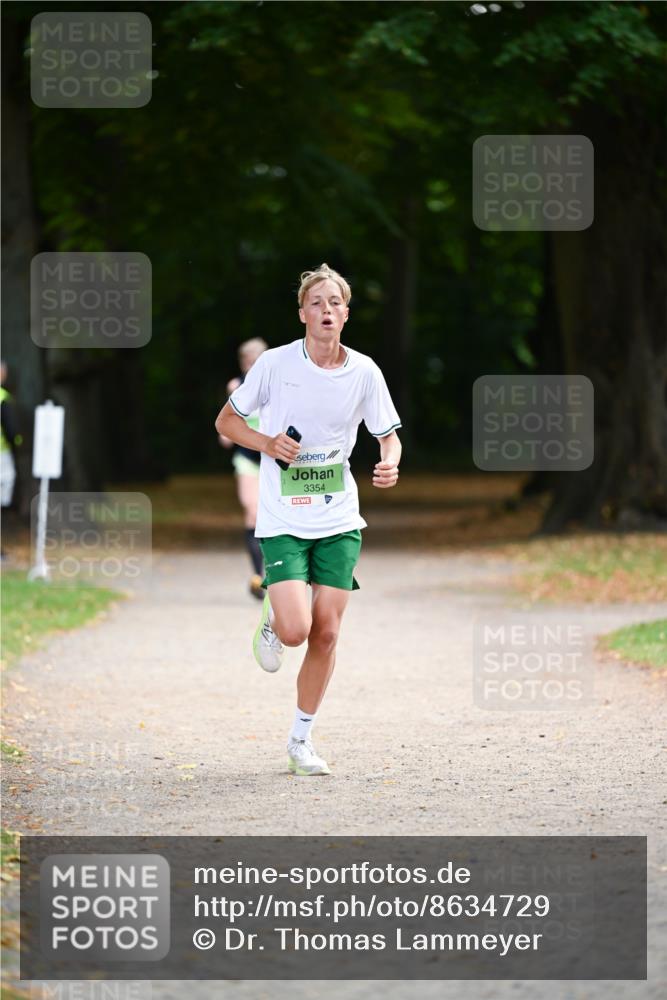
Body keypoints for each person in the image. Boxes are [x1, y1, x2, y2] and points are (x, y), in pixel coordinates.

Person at [215, 264, 401, 776]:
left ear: (346, 313)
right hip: (283, 517)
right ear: (302, 313)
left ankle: (301, 740)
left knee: (327, 634)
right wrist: (268, 443)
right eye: (316, 302)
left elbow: (388, 435)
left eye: (335, 302)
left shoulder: (364, 371)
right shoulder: (274, 365)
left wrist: (390, 461)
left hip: (338, 516)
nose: (326, 310)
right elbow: (226, 422)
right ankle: (275, 618)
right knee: (297, 631)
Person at [219, 338, 269, 599]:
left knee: (277, 515)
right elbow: (228, 420)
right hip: (247, 458)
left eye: (256, 362)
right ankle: (257, 575)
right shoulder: (235, 387)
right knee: (252, 511)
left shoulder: (277, 386)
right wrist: (226, 434)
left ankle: (281, 572)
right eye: (247, 363)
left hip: (274, 460)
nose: (251, 368)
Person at [0, 361, 19, 512]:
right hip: (2, 450)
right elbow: (10, 428)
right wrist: (16, 442)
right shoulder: (3, 397)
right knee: (7, 478)